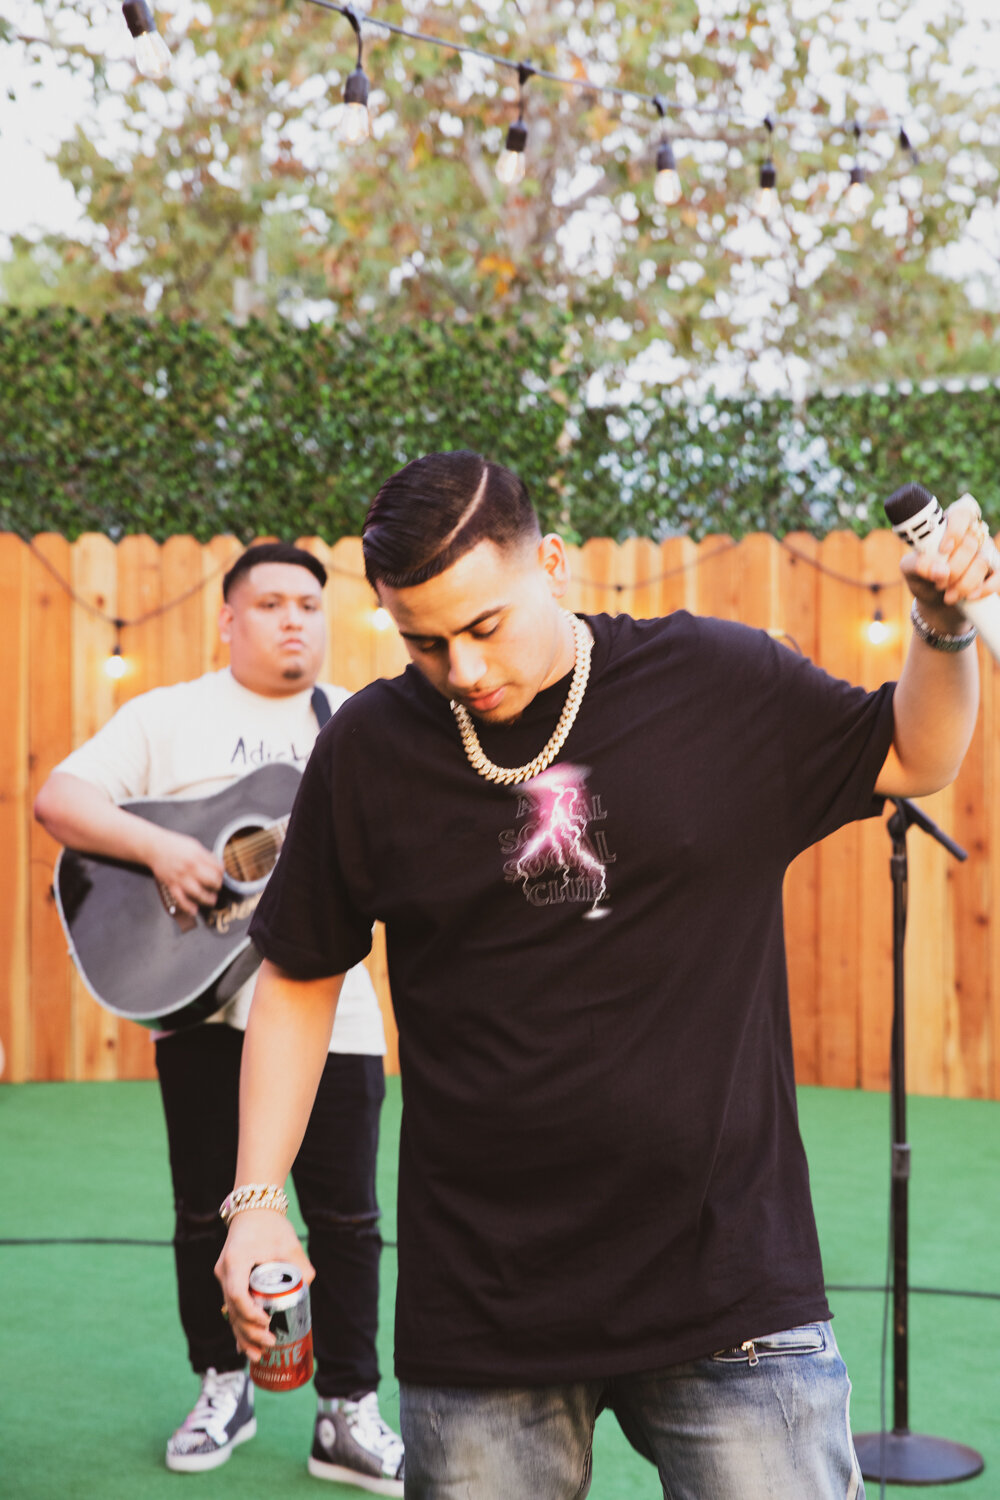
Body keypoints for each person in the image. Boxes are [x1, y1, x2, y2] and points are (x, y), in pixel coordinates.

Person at [215, 454, 995, 1500]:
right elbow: (301, 973)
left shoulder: (716, 681)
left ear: (551, 561)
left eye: (484, 627)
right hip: (486, 1307)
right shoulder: (371, 748)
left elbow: (914, 754)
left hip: (730, 1287)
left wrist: (941, 632)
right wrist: (257, 1200)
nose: (463, 668)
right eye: (422, 641)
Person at [34, 542, 404, 1493]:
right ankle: (224, 1382)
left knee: (349, 1217)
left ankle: (349, 1410)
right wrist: (164, 851)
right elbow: (59, 797)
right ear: (228, 620)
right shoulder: (169, 715)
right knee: (205, 1208)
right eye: (272, 603)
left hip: (337, 1012)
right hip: (193, 1005)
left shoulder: (362, 725)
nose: (294, 620)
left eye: (311, 605)